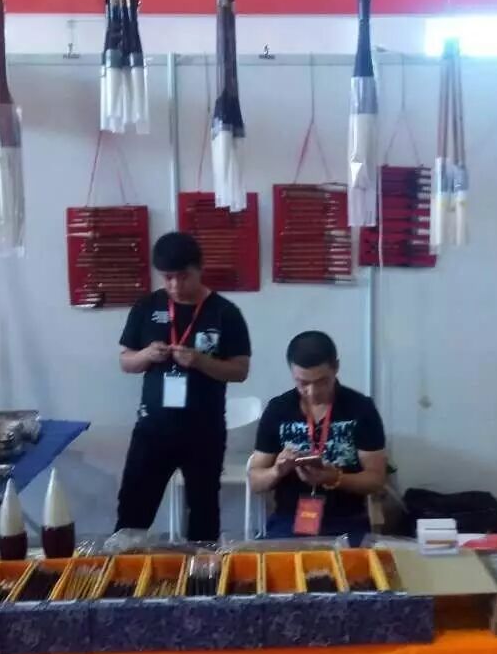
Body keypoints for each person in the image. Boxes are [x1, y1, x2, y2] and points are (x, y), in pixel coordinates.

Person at [117, 231, 251, 541]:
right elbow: (125, 362)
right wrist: (146, 355)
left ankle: (203, 570)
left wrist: (201, 361)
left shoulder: (225, 313)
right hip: (153, 430)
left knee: (203, 515)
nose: (176, 285)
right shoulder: (146, 307)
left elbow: (240, 371)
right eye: (168, 278)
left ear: (199, 269)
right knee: (133, 510)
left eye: (183, 276)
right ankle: (123, 565)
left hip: (203, 432)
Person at [249, 330, 386, 544]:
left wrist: (335, 478)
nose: (312, 392)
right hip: (290, 520)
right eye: (302, 383)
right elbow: (256, 481)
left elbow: (376, 480)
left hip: (347, 519)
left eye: (322, 382)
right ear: (292, 373)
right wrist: (277, 471)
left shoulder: (360, 408)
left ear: (336, 367)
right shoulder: (279, 409)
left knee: (351, 565)